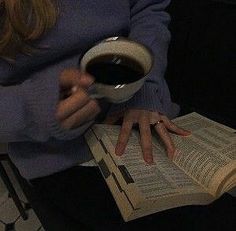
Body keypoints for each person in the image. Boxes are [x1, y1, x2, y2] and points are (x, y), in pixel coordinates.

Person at [0, 0, 191, 230]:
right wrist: (31, 109)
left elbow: (147, 9)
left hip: (142, 107)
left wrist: (144, 82)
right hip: (55, 156)